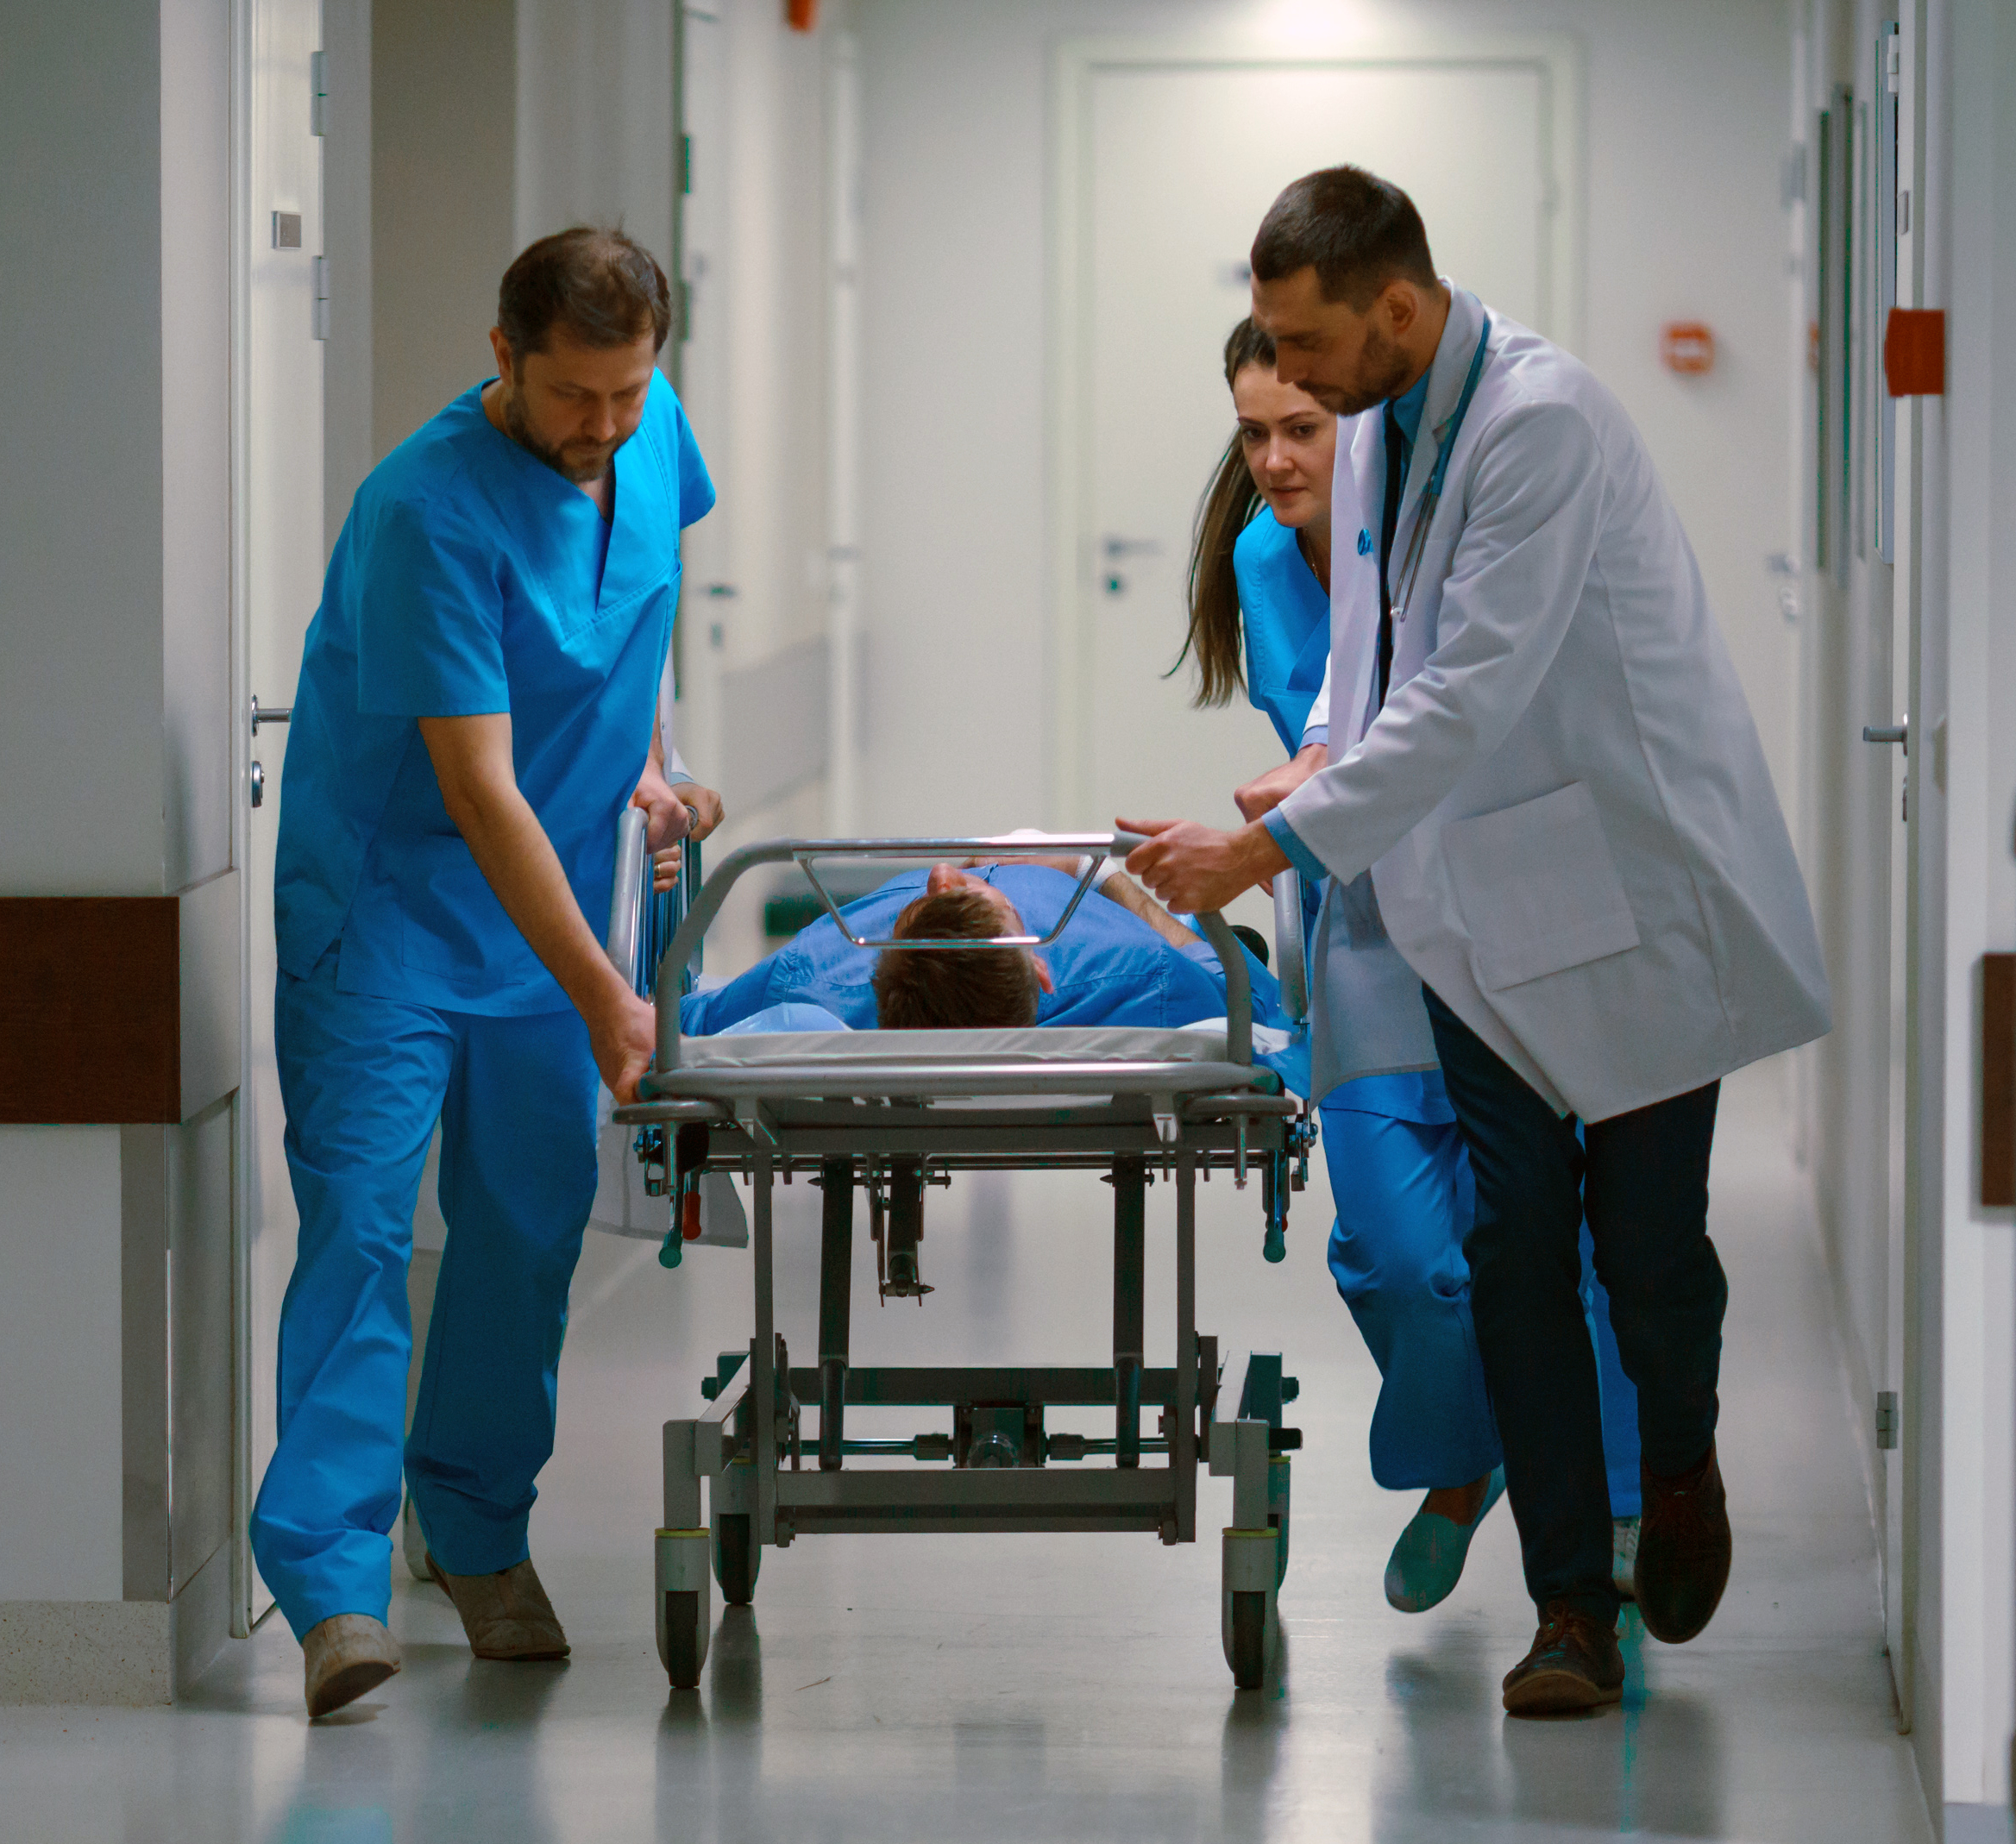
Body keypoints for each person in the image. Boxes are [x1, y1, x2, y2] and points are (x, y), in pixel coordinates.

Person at [1125, 166, 1830, 1715]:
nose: (1287, 384)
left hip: (1627, 899)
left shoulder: (1541, 425)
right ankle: (1571, 1604)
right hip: (1471, 911)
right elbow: (1375, 662)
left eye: (1306, 345)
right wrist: (1303, 762)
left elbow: (1473, 688)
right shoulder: (1379, 429)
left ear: (1396, 305)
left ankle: (1685, 1454)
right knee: (1514, 1248)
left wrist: (1264, 844)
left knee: (1643, 1252)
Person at [258, 228, 722, 1719]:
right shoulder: (424, 509)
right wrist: (608, 994)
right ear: (502, 357)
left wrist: (657, 764)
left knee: (525, 1234)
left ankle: (474, 1527)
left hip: (548, 923)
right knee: (361, 1230)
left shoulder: (650, 441)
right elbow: (479, 787)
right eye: (575, 396)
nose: (604, 429)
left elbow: (643, 619)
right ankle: (331, 1586)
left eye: (629, 393)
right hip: (388, 920)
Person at [1178, 317, 1647, 1615]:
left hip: (1515, 926)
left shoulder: (1462, 528)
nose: (1273, 459)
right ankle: (1467, 1460)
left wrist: (1307, 787)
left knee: (1562, 1248)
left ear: (1363, 420)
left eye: (1300, 429)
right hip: (1373, 935)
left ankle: (1609, 1512)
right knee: (1395, 1257)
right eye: (1251, 433)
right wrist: (1302, 801)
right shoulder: (1264, 562)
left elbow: (1444, 713)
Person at [681, 854, 1279, 1036]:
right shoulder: (1136, 971)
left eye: (926, 906)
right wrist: (1099, 875)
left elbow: (686, 1023)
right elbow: (1253, 999)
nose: (944, 871)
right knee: (1234, 942)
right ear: (1041, 971)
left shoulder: (811, 972)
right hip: (1091, 900)